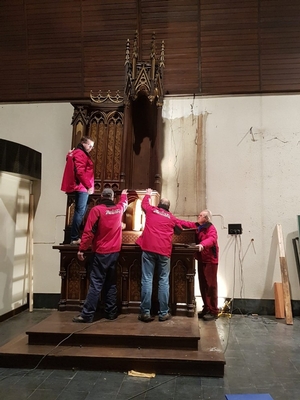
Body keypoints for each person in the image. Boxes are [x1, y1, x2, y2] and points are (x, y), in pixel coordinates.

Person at [136, 188, 197, 322]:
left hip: (148, 248)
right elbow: (183, 226)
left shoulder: (151, 210)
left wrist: (147, 194)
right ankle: (163, 313)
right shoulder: (171, 217)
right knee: (163, 281)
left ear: (159, 205)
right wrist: (198, 224)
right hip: (164, 251)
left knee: (147, 279)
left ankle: (145, 312)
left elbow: (144, 204)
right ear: (168, 208)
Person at [72, 188, 128, 323]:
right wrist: (124, 193)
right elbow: (124, 202)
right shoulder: (119, 209)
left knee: (96, 283)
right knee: (111, 283)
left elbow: (88, 231)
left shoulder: (96, 210)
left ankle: (87, 314)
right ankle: (111, 312)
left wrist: (82, 249)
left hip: (101, 252)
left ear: (102, 196)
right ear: (112, 197)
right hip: (114, 252)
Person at [61, 136, 95, 245]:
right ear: (83, 143)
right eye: (89, 145)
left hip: (83, 187)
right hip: (82, 187)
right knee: (80, 211)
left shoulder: (78, 152)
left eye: (92, 146)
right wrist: (88, 186)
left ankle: (75, 236)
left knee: (82, 210)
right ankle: (74, 237)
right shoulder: (80, 153)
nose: (91, 148)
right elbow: (80, 172)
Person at [195, 209, 219, 321]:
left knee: (211, 286)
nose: (198, 217)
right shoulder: (199, 227)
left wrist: (202, 244)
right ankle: (207, 307)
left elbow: (212, 239)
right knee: (203, 285)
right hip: (202, 259)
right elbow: (187, 224)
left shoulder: (210, 228)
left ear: (206, 218)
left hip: (210, 260)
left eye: (200, 215)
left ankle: (213, 311)